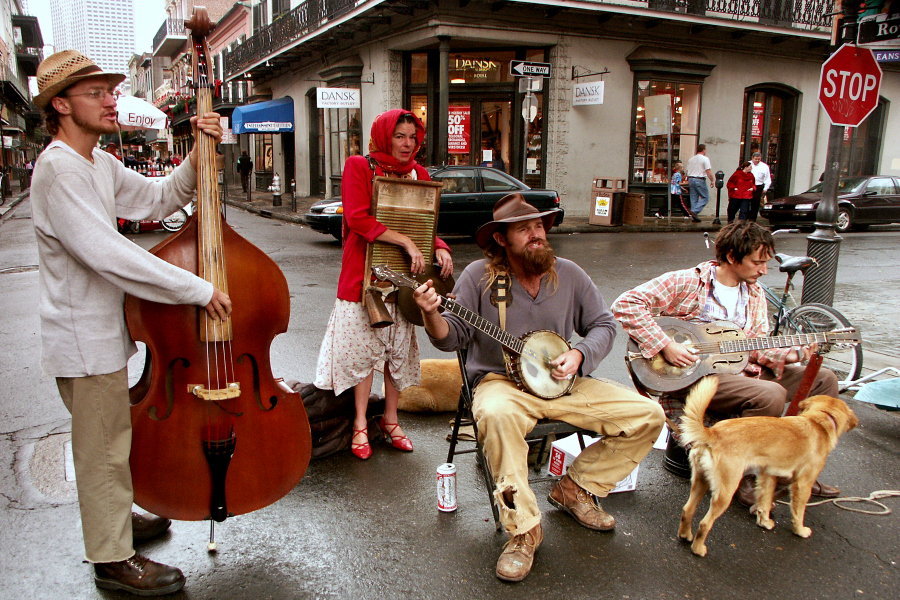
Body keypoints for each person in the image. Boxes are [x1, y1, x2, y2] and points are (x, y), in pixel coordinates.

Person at [30, 49, 232, 596]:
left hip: (102, 336)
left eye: (110, 90)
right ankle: (113, 560)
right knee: (100, 451)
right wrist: (198, 288)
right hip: (81, 339)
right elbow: (111, 254)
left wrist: (198, 150)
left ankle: (116, 523)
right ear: (62, 104)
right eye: (96, 92)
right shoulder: (58, 168)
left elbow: (160, 197)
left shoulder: (96, 161)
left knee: (113, 440)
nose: (110, 99)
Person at [413, 194, 664, 582]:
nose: (536, 234)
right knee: (495, 415)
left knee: (649, 415)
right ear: (501, 239)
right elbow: (451, 338)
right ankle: (524, 529)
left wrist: (579, 355)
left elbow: (603, 324)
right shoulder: (479, 277)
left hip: (564, 383)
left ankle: (576, 488)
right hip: (502, 384)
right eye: (524, 229)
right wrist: (431, 313)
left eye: (540, 226)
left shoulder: (570, 274)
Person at [611, 220, 840, 509]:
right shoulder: (689, 282)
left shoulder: (753, 294)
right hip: (694, 376)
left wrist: (792, 356)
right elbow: (625, 304)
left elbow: (753, 345)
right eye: (757, 262)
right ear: (732, 258)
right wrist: (665, 344)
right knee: (769, 394)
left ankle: (798, 469)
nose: (764, 270)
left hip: (740, 372)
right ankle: (739, 478)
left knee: (825, 379)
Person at [314, 109, 454, 460]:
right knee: (362, 355)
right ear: (384, 136)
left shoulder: (418, 173)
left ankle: (390, 420)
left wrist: (438, 246)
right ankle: (360, 422)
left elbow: (426, 223)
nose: (407, 144)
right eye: (399, 136)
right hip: (365, 279)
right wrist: (405, 242)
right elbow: (357, 218)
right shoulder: (360, 167)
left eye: (412, 137)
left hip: (404, 280)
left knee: (395, 353)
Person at [685, 144, 714, 218]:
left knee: (694, 198)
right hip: (700, 179)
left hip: (691, 179)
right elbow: (708, 171)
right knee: (705, 197)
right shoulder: (705, 159)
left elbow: (687, 171)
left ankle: (694, 216)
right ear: (704, 150)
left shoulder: (691, 159)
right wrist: (712, 180)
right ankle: (694, 211)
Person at [748, 151, 772, 222]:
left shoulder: (764, 166)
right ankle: (745, 218)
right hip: (748, 186)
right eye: (756, 159)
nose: (757, 160)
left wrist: (765, 188)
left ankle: (752, 220)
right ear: (752, 158)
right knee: (746, 203)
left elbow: (767, 179)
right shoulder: (748, 164)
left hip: (758, 186)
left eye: (759, 159)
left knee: (755, 204)